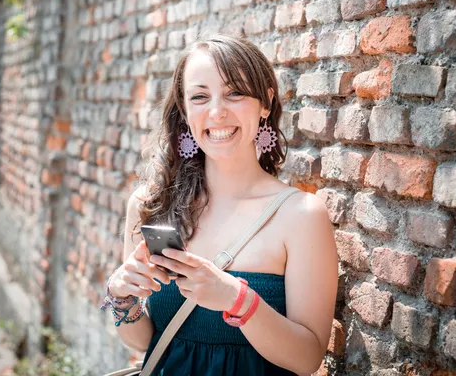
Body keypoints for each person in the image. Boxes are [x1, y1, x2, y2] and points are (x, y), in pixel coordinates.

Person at [104, 35, 339, 375]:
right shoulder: (150, 205)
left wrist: (237, 300)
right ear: (185, 111)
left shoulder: (301, 216)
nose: (217, 112)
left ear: (266, 103)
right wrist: (121, 296)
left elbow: (307, 359)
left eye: (235, 93)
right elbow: (142, 341)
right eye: (200, 97)